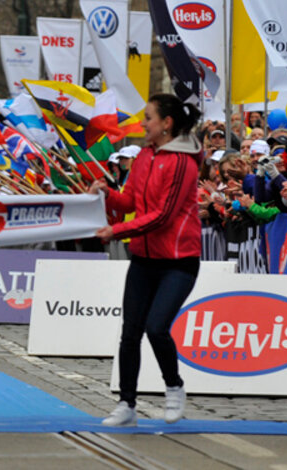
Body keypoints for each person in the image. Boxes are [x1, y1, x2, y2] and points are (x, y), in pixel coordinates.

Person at [90, 93, 202, 427]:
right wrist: (108, 192)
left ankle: (174, 387)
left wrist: (117, 231)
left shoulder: (184, 162)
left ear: (166, 124)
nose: (142, 124)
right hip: (144, 257)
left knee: (156, 327)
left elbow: (163, 216)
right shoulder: (143, 157)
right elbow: (130, 202)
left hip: (179, 260)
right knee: (130, 332)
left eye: (148, 118)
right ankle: (126, 404)